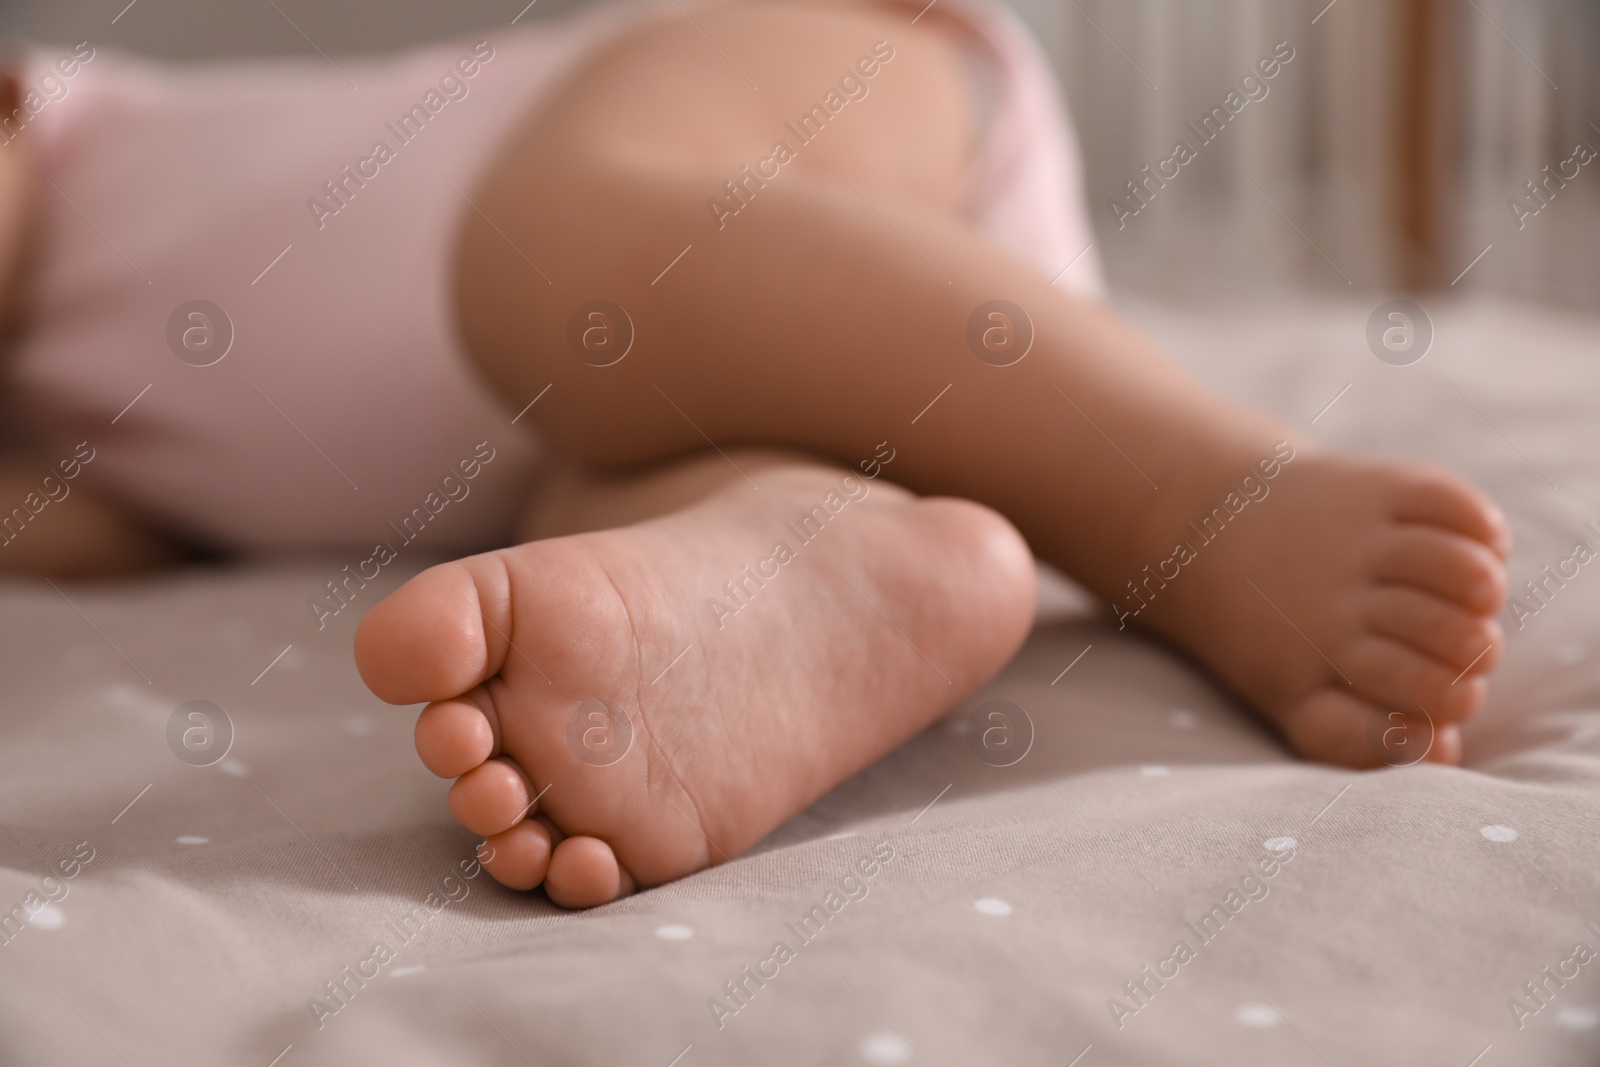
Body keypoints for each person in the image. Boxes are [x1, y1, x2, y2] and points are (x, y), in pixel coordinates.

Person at [0, 0, 1509, 908]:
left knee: (553, 256)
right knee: (604, 525)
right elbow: (91, 539)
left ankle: (1200, 498)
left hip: (798, 116)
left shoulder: (78, 141)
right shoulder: (66, 435)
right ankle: (824, 563)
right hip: (652, 418)